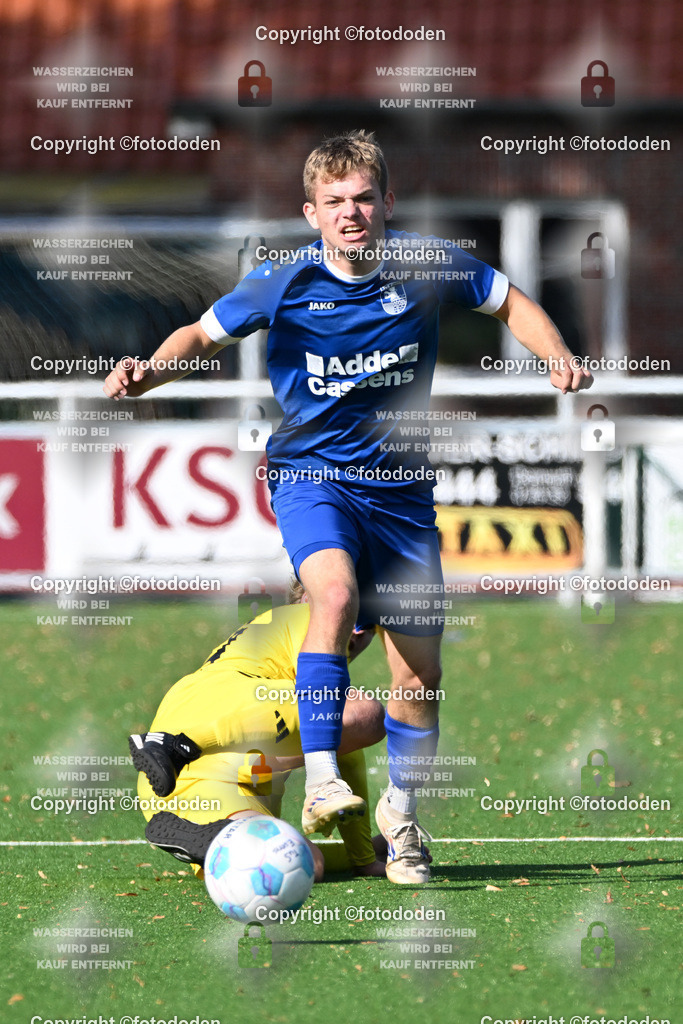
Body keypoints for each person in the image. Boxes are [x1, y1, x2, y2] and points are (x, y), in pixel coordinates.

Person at [105, 129, 592, 884]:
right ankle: (324, 779)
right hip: (312, 477)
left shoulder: (427, 265)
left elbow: (508, 302)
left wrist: (555, 354)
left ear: (387, 201)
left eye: (363, 198)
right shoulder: (281, 281)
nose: (350, 213)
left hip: (402, 499)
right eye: (334, 202)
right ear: (312, 213)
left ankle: (402, 817)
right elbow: (199, 334)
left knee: (418, 679)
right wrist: (148, 374)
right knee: (332, 595)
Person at [131, 591, 388, 881]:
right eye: (352, 613)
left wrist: (366, 856)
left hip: (191, 794)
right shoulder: (307, 618)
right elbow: (354, 722)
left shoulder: (299, 687)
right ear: (309, 596)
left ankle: (216, 840)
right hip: (196, 728)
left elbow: (346, 754)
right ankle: (172, 746)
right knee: (366, 714)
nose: (357, 631)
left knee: (305, 863)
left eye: (367, 624)